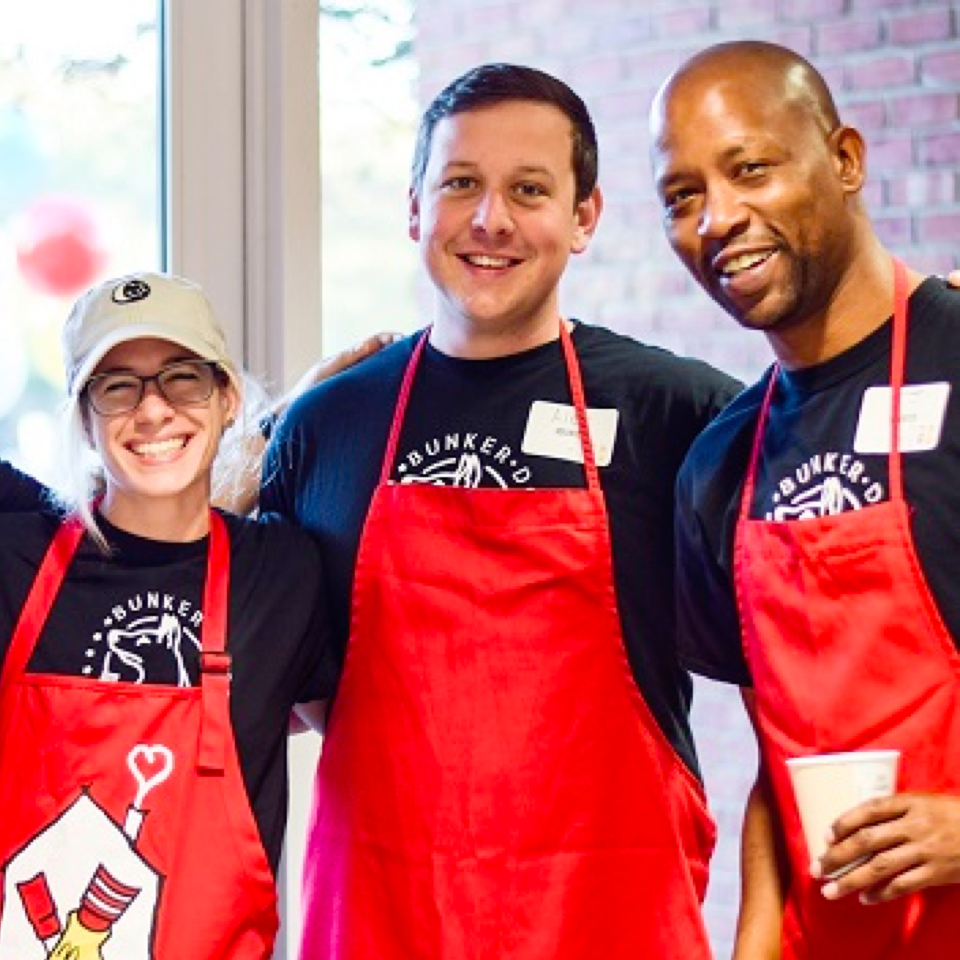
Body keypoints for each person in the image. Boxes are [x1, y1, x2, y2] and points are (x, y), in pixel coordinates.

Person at [262, 62, 741, 960]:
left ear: (585, 216)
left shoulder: (679, 415)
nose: (491, 220)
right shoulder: (327, 427)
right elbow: (259, 678)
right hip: (383, 913)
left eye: (529, 189)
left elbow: (827, 630)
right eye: (460, 185)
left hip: (607, 910)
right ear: (415, 209)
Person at [650, 40, 960, 960]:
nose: (718, 218)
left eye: (751, 169)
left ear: (846, 160)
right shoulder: (721, 464)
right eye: (683, 196)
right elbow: (776, 764)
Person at [0, 271, 342, 960]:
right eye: (117, 385)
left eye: (181, 377)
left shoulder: (282, 574)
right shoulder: (16, 558)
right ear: (84, 421)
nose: (152, 411)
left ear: (226, 398)